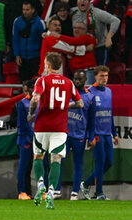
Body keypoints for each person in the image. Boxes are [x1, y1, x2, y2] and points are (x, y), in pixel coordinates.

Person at [28, 52, 83, 209]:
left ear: (48, 65)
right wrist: (65, 106)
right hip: (60, 127)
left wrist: (31, 114)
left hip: (42, 126)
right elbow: (80, 104)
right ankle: (51, 191)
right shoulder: (68, 82)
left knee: (38, 156)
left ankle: (40, 185)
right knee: (56, 159)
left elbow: (35, 99)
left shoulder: (43, 80)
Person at [55, 70, 96, 200]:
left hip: (79, 135)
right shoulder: (66, 94)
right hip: (64, 134)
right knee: (58, 161)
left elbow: (92, 120)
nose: (77, 81)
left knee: (78, 164)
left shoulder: (90, 97)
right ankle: (56, 190)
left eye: (80, 79)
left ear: (85, 80)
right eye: (75, 79)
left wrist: (91, 137)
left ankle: (74, 192)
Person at [80, 65, 119, 200]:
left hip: (107, 133)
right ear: (95, 76)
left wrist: (114, 133)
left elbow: (110, 113)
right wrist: (89, 136)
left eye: (106, 76)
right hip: (96, 133)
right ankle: (99, 193)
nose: (105, 78)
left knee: (109, 162)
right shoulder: (89, 92)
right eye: (102, 76)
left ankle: (86, 183)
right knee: (100, 162)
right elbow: (87, 117)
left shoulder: (109, 91)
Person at [71, 0, 120, 65]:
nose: (82, 2)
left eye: (85, 0)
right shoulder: (72, 12)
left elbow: (115, 20)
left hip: (99, 48)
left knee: (99, 71)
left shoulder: (97, 13)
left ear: (89, 2)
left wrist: (109, 37)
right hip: (81, 48)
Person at [12, 1, 45, 83]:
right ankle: (24, 96)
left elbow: (43, 41)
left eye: (27, 10)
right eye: (23, 9)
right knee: (24, 81)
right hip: (22, 57)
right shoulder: (17, 21)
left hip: (36, 57)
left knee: (36, 81)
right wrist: (17, 55)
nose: (25, 12)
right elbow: (15, 39)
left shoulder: (40, 22)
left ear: (33, 10)